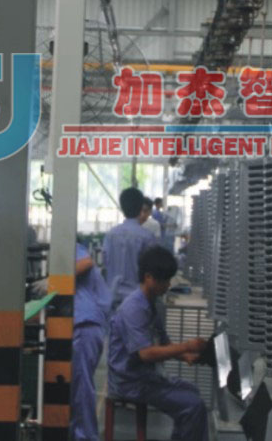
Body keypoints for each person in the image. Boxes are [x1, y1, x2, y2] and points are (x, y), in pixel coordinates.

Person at [109, 245, 210, 441]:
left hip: (146, 377)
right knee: (193, 405)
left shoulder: (151, 304)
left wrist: (186, 356)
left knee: (193, 392)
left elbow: (163, 342)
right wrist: (187, 346)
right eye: (165, 280)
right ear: (149, 277)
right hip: (130, 381)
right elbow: (145, 353)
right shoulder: (134, 308)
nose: (168, 285)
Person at [72, 241, 112, 441]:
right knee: (78, 388)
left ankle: (86, 437)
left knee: (81, 389)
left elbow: (86, 262)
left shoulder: (69, 246)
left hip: (85, 325)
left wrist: (54, 280)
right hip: (88, 324)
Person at [104, 187, 157, 308]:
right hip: (137, 299)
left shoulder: (110, 235)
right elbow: (152, 269)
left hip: (113, 297)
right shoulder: (147, 237)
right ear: (140, 208)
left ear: (122, 208)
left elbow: (106, 262)